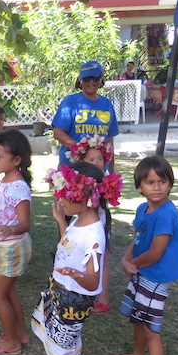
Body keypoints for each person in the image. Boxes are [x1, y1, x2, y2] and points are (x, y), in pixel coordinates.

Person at [33, 162, 122, 355]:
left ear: (83, 198)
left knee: (62, 353)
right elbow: (67, 247)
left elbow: (94, 281)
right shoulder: (78, 221)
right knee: (59, 342)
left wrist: (75, 275)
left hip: (72, 300)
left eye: (62, 194)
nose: (57, 199)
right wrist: (62, 222)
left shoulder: (93, 233)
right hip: (58, 292)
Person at [112, 155, 178, 355]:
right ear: (139, 187)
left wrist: (132, 264)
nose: (156, 187)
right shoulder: (144, 209)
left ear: (170, 184)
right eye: (149, 182)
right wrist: (126, 257)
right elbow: (139, 238)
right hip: (141, 273)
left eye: (161, 181)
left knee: (152, 330)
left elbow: (155, 252)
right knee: (137, 317)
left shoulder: (166, 215)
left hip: (155, 277)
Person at [0, 129, 32, 354]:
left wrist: (9, 228)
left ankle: (12, 343)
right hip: (6, 246)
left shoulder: (18, 187)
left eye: (0, 156)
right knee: (9, 293)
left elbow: (25, 222)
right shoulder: (5, 182)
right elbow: (2, 208)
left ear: (16, 160)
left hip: (10, 247)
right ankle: (19, 334)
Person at [65, 135, 116, 315]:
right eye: (91, 159)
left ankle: (103, 298)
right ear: (82, 161)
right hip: (83, 218)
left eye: (100, 158)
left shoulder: (105, 179)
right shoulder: (79, 181)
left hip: (98, 221)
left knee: (101, 260)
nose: (97, 162)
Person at [51, 61, 119, 168]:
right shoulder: (70, 102)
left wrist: (111, 168)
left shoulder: (107, 104)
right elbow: (58, 133)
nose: (91, 82)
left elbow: (109, 139)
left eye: (95, 78)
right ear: (80, 80)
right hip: (73, 167)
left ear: (101, 79)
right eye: (87, 79)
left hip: (99, 169)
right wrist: (83, 150)